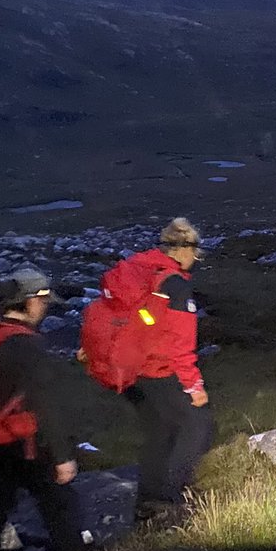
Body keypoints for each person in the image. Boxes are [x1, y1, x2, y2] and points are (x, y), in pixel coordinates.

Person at [0, 267, 90, 551]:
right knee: (61, 510)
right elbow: (45, 404)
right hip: (30, 444)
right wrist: (63, 457)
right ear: (29, 301)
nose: (46, 307)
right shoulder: (27, 346)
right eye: (43, 300)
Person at [82, 217, 214, 521]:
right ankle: (171, 496)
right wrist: (194, 387)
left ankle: (149, 498)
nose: (195, 258)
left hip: (129, 370)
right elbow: (180, 344)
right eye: (195, 251)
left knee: (159, 430)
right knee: (198, 427)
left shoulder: (136, 268)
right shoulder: (175, 284)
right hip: (157, 369)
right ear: (183, 249)